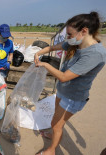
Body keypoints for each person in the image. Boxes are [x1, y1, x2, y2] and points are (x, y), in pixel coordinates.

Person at [34, 12, 106, 155]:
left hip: (73, 97)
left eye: (70, 34)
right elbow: (53, 48)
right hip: (63, 91)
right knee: (55, 120)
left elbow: (64, 77)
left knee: (57, 125)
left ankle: (51, 150)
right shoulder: (77, 43)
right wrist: (38, 53)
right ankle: (54, 135)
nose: (68, 38)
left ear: (84, 31)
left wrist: (44, 65)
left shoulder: (95, 54)